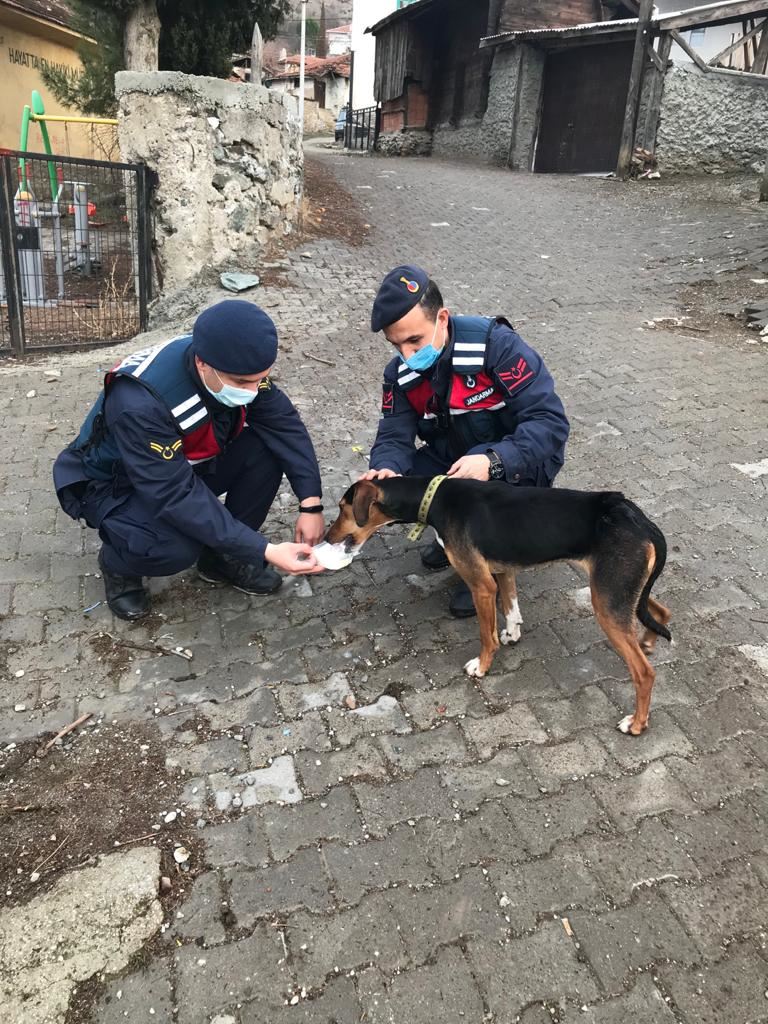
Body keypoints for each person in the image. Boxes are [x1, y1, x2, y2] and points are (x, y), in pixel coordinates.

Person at [53, 300, 325, 621]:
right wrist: (263, 550)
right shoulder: (140, 403)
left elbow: (283, 424)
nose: (254, 391)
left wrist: (311, 504)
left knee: (266, 447)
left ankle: (222, 559)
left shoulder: (232, 359)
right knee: (174, 548)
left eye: (260, 379)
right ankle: (118, 563)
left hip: (181, 463)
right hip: (114, 483)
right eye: (242, 383)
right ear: (202, 365)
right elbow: (174, 495)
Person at [362, 264, 570, 617]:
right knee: (402, 479)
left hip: (517, 462)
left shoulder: (497, 347)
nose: (408, 356)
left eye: (415, 340)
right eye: (396, 345)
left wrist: (493, 460)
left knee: (479, 468)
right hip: (457, 455)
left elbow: (549, 422)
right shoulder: (399, 373)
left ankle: (483, 561)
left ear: (442, 318)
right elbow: (394, 433)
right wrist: (385, 467)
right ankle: (451, 535)